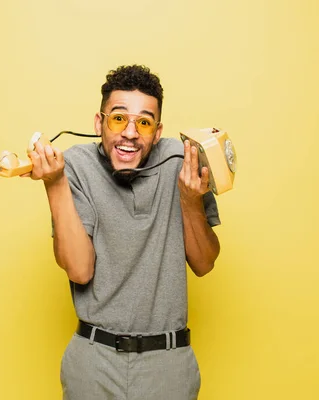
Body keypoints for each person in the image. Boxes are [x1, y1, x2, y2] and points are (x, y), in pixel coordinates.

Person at [27, 65, 221, 400]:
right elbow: (79, 269)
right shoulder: (74, 165)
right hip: (94, 360)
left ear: (157, 132)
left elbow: (204, 263)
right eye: (118, 119)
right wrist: (55, 183)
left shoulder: (181, 161)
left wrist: (190, 199)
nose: (130, 133)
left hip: (168, 363)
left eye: (143, 122)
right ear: (98, 122)